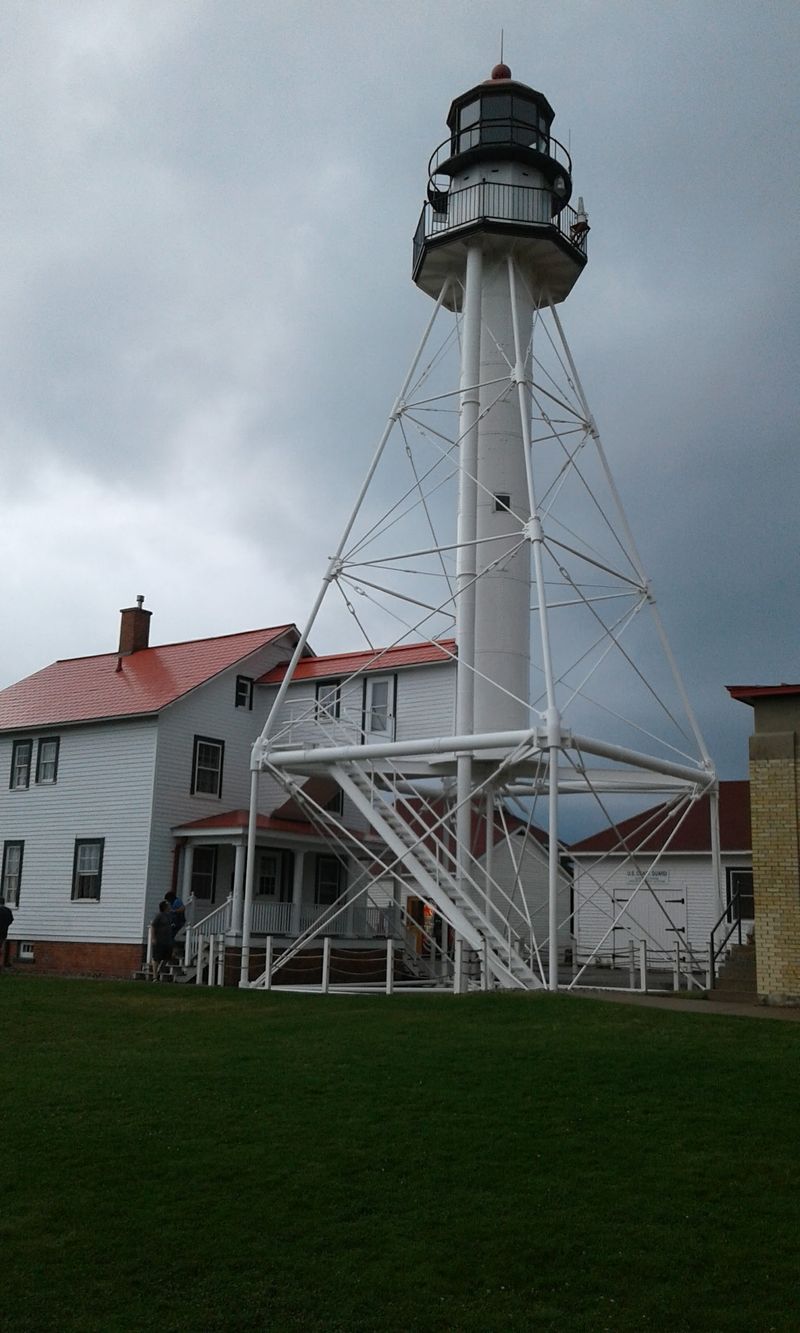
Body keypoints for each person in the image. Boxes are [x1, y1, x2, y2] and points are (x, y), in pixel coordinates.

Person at [150, 899, 174, 979]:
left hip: (168, 941)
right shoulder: (159, 915)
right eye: (168, 905)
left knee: (167, 957)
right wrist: (153, 938)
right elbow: (153, 926)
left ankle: (159, 970)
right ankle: (154, 976)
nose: (170, 906)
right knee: (156, 958)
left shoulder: (169, 916)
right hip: (159, 940)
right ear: (165, 907)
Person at [0, 901, 13, 970]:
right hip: (4, 932)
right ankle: (1, 964)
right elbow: (11, 920)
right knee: (2, 948)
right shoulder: (7, 910)